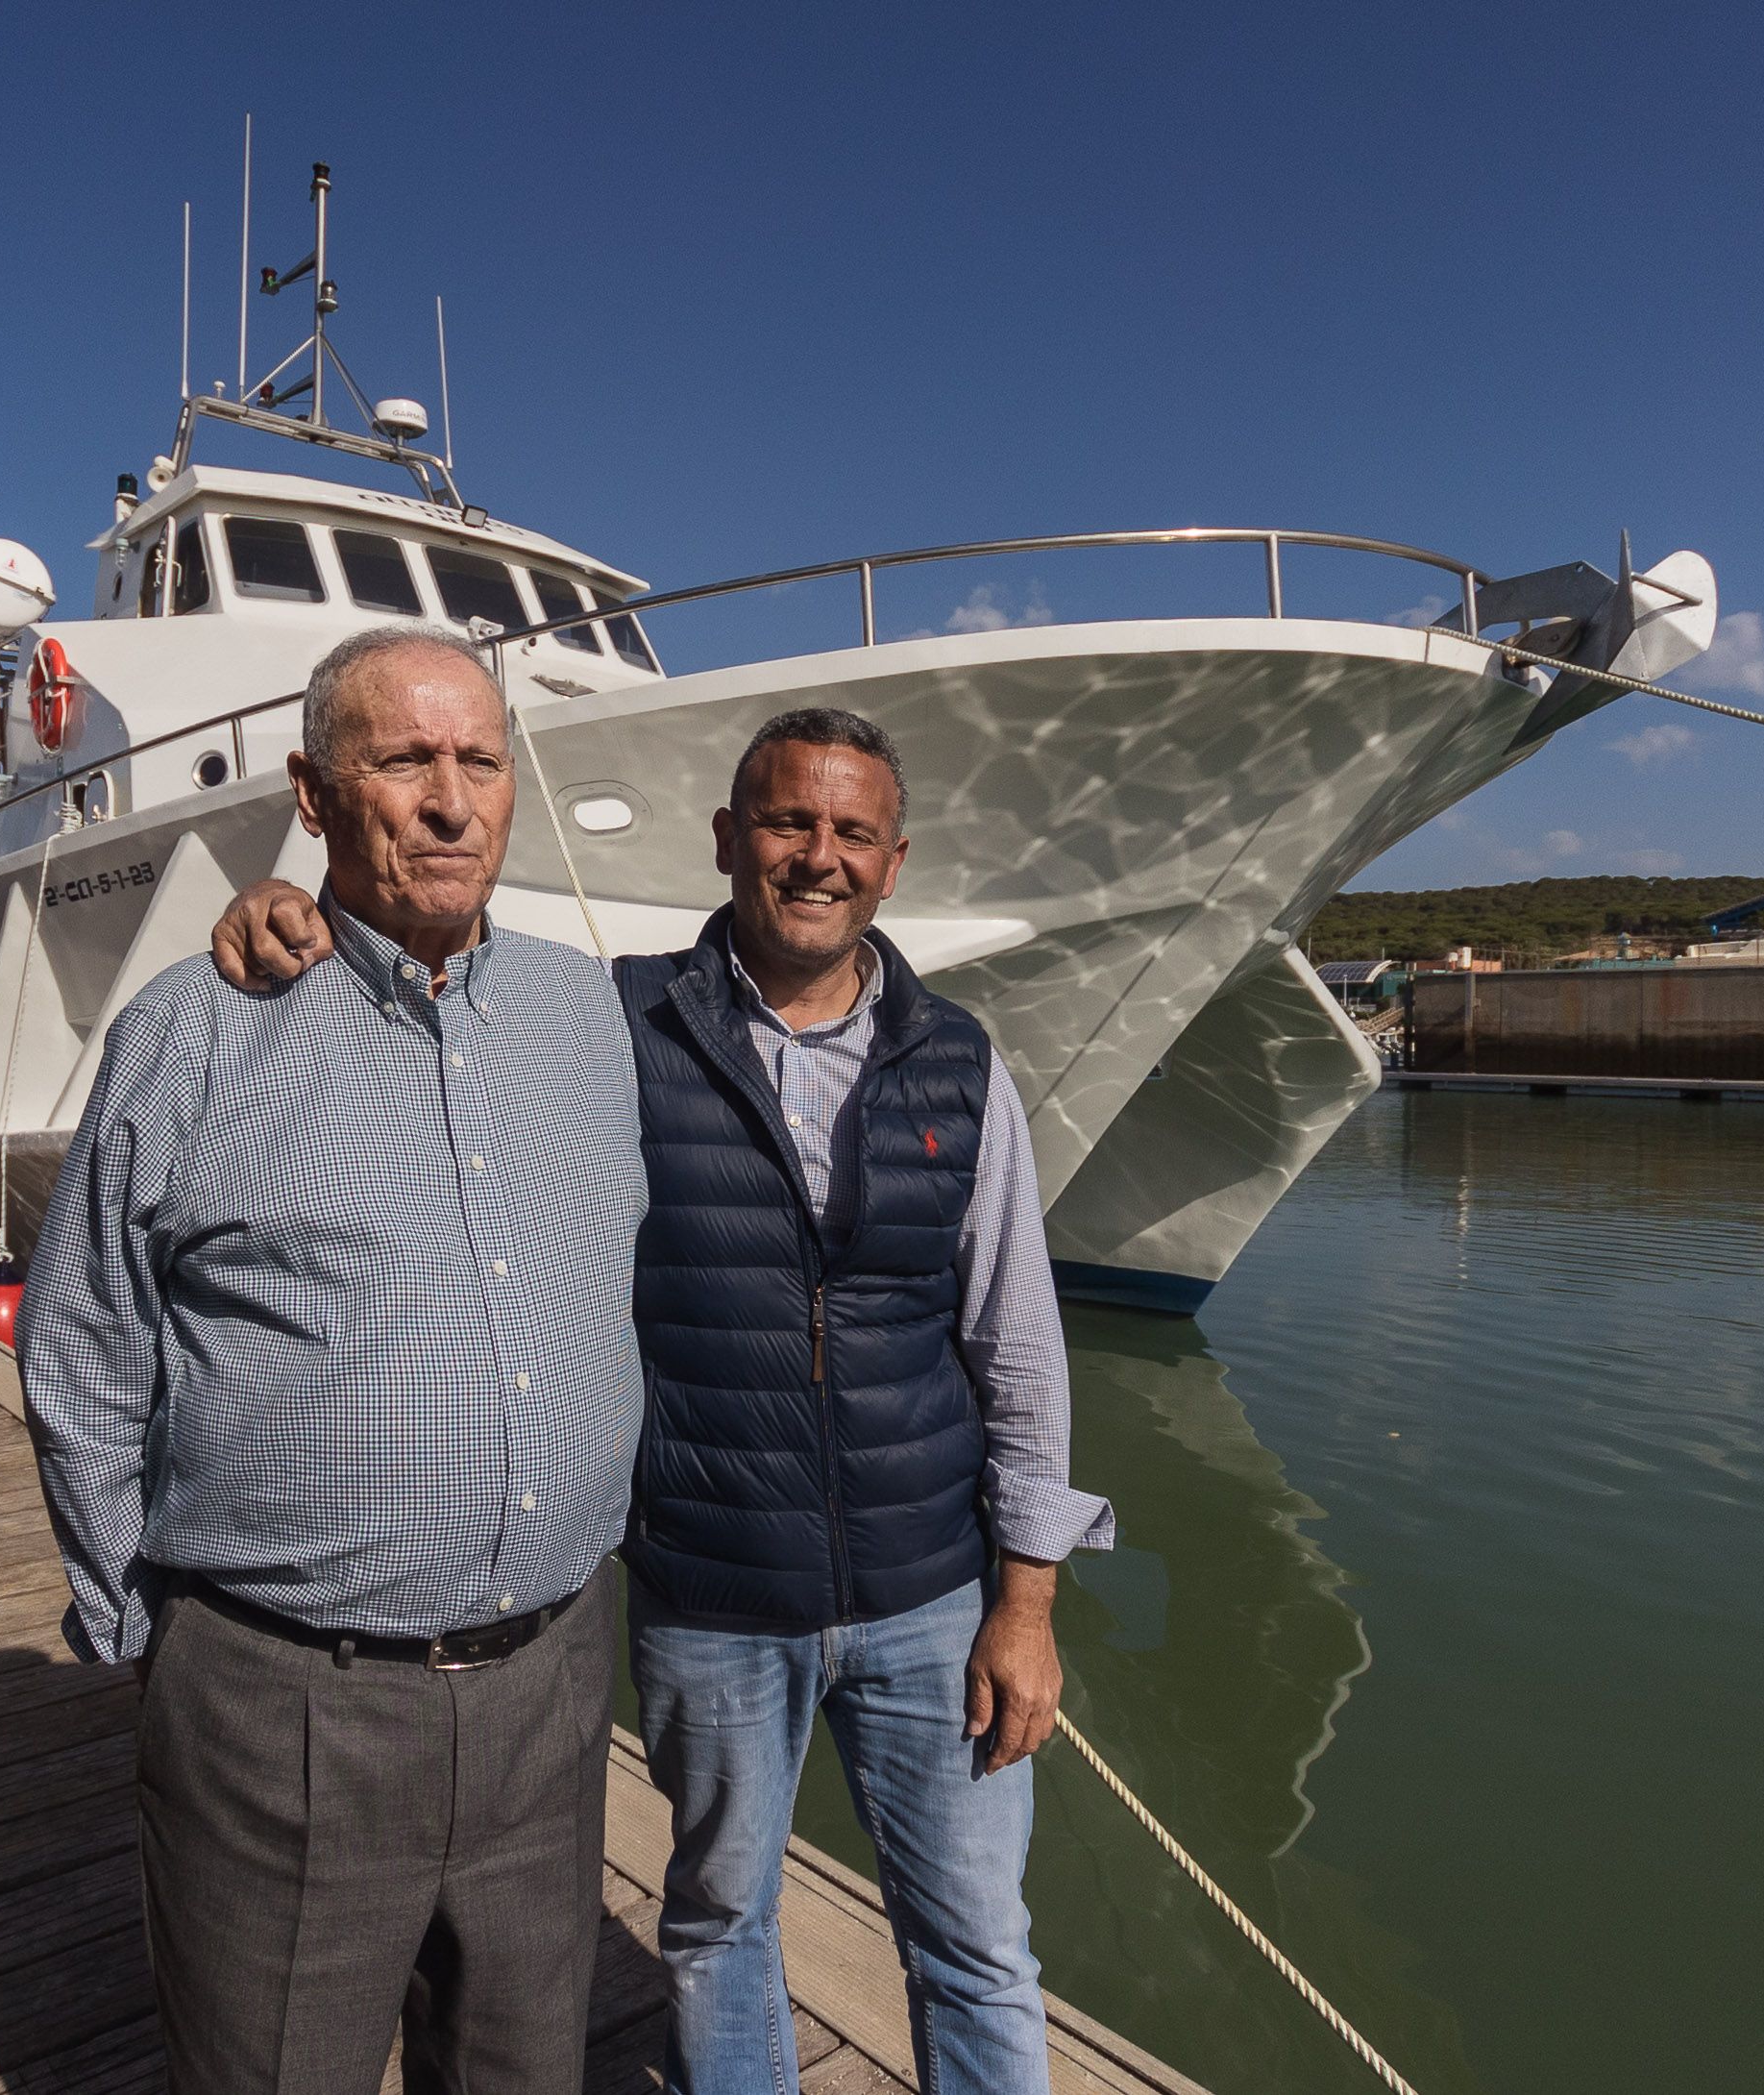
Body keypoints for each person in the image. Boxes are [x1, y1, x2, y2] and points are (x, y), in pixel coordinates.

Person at [212, 706, 1115, 2095]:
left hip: (933, 1592)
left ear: (894, 861)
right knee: (716, 1926)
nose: (817, 857)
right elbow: (428, 993)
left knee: (979, 1942)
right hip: (708, 1593)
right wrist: (292, 914)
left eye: (851, 833)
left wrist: (1028, 1601)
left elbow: (1016, 1341)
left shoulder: (959, 1059)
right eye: (785, 822)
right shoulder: (603, 1022)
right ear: (727, 839)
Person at [23, 625, 648, 2095]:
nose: (450, 800)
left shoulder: (587, 1015)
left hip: (552, 1693)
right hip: (285, 1709)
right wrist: (140, 1632)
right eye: (404, 760)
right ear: (313, 793)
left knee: (521, 2073)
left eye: (480, 759)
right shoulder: (194, 1029)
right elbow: (84, 1344)